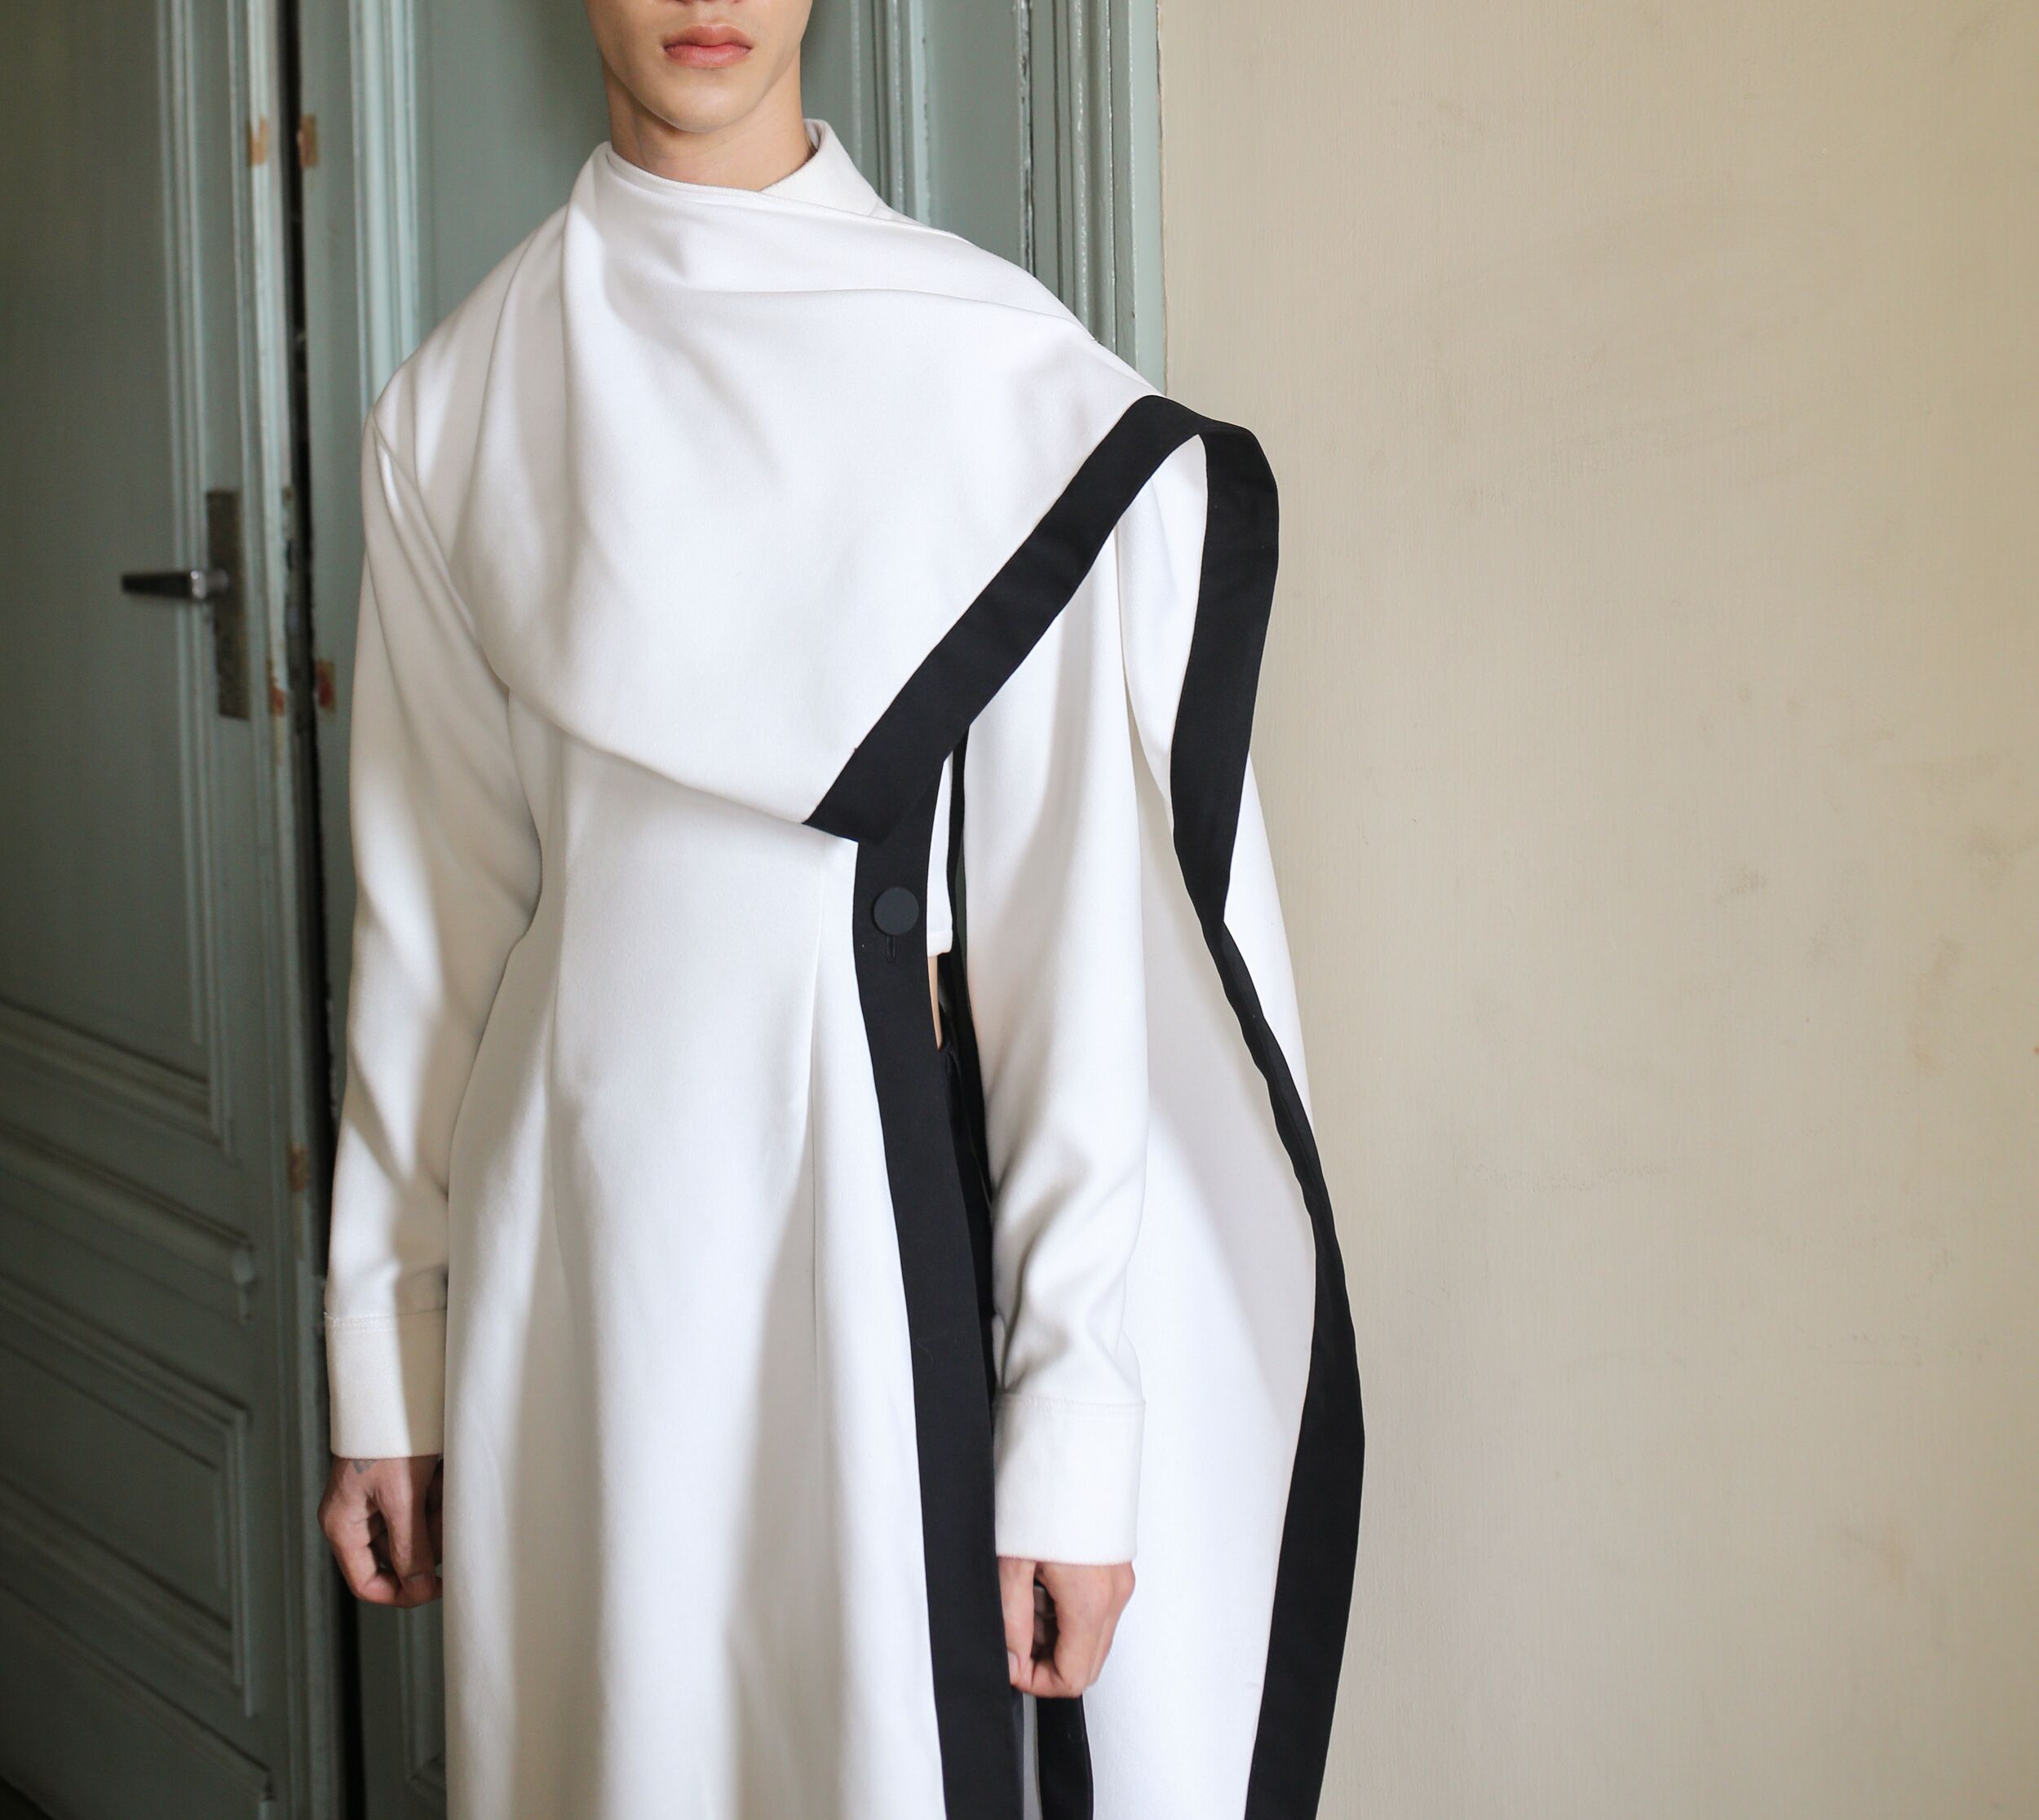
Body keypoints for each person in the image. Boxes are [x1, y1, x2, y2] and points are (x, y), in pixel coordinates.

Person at [316, 1, 1364, 1814]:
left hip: (874, 1244)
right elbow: (432, 941)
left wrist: (1072, 1423)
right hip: (577, 1281)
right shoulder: (459, 399)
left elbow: (1061, 951)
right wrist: (384, 1356)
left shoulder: (995, 379)